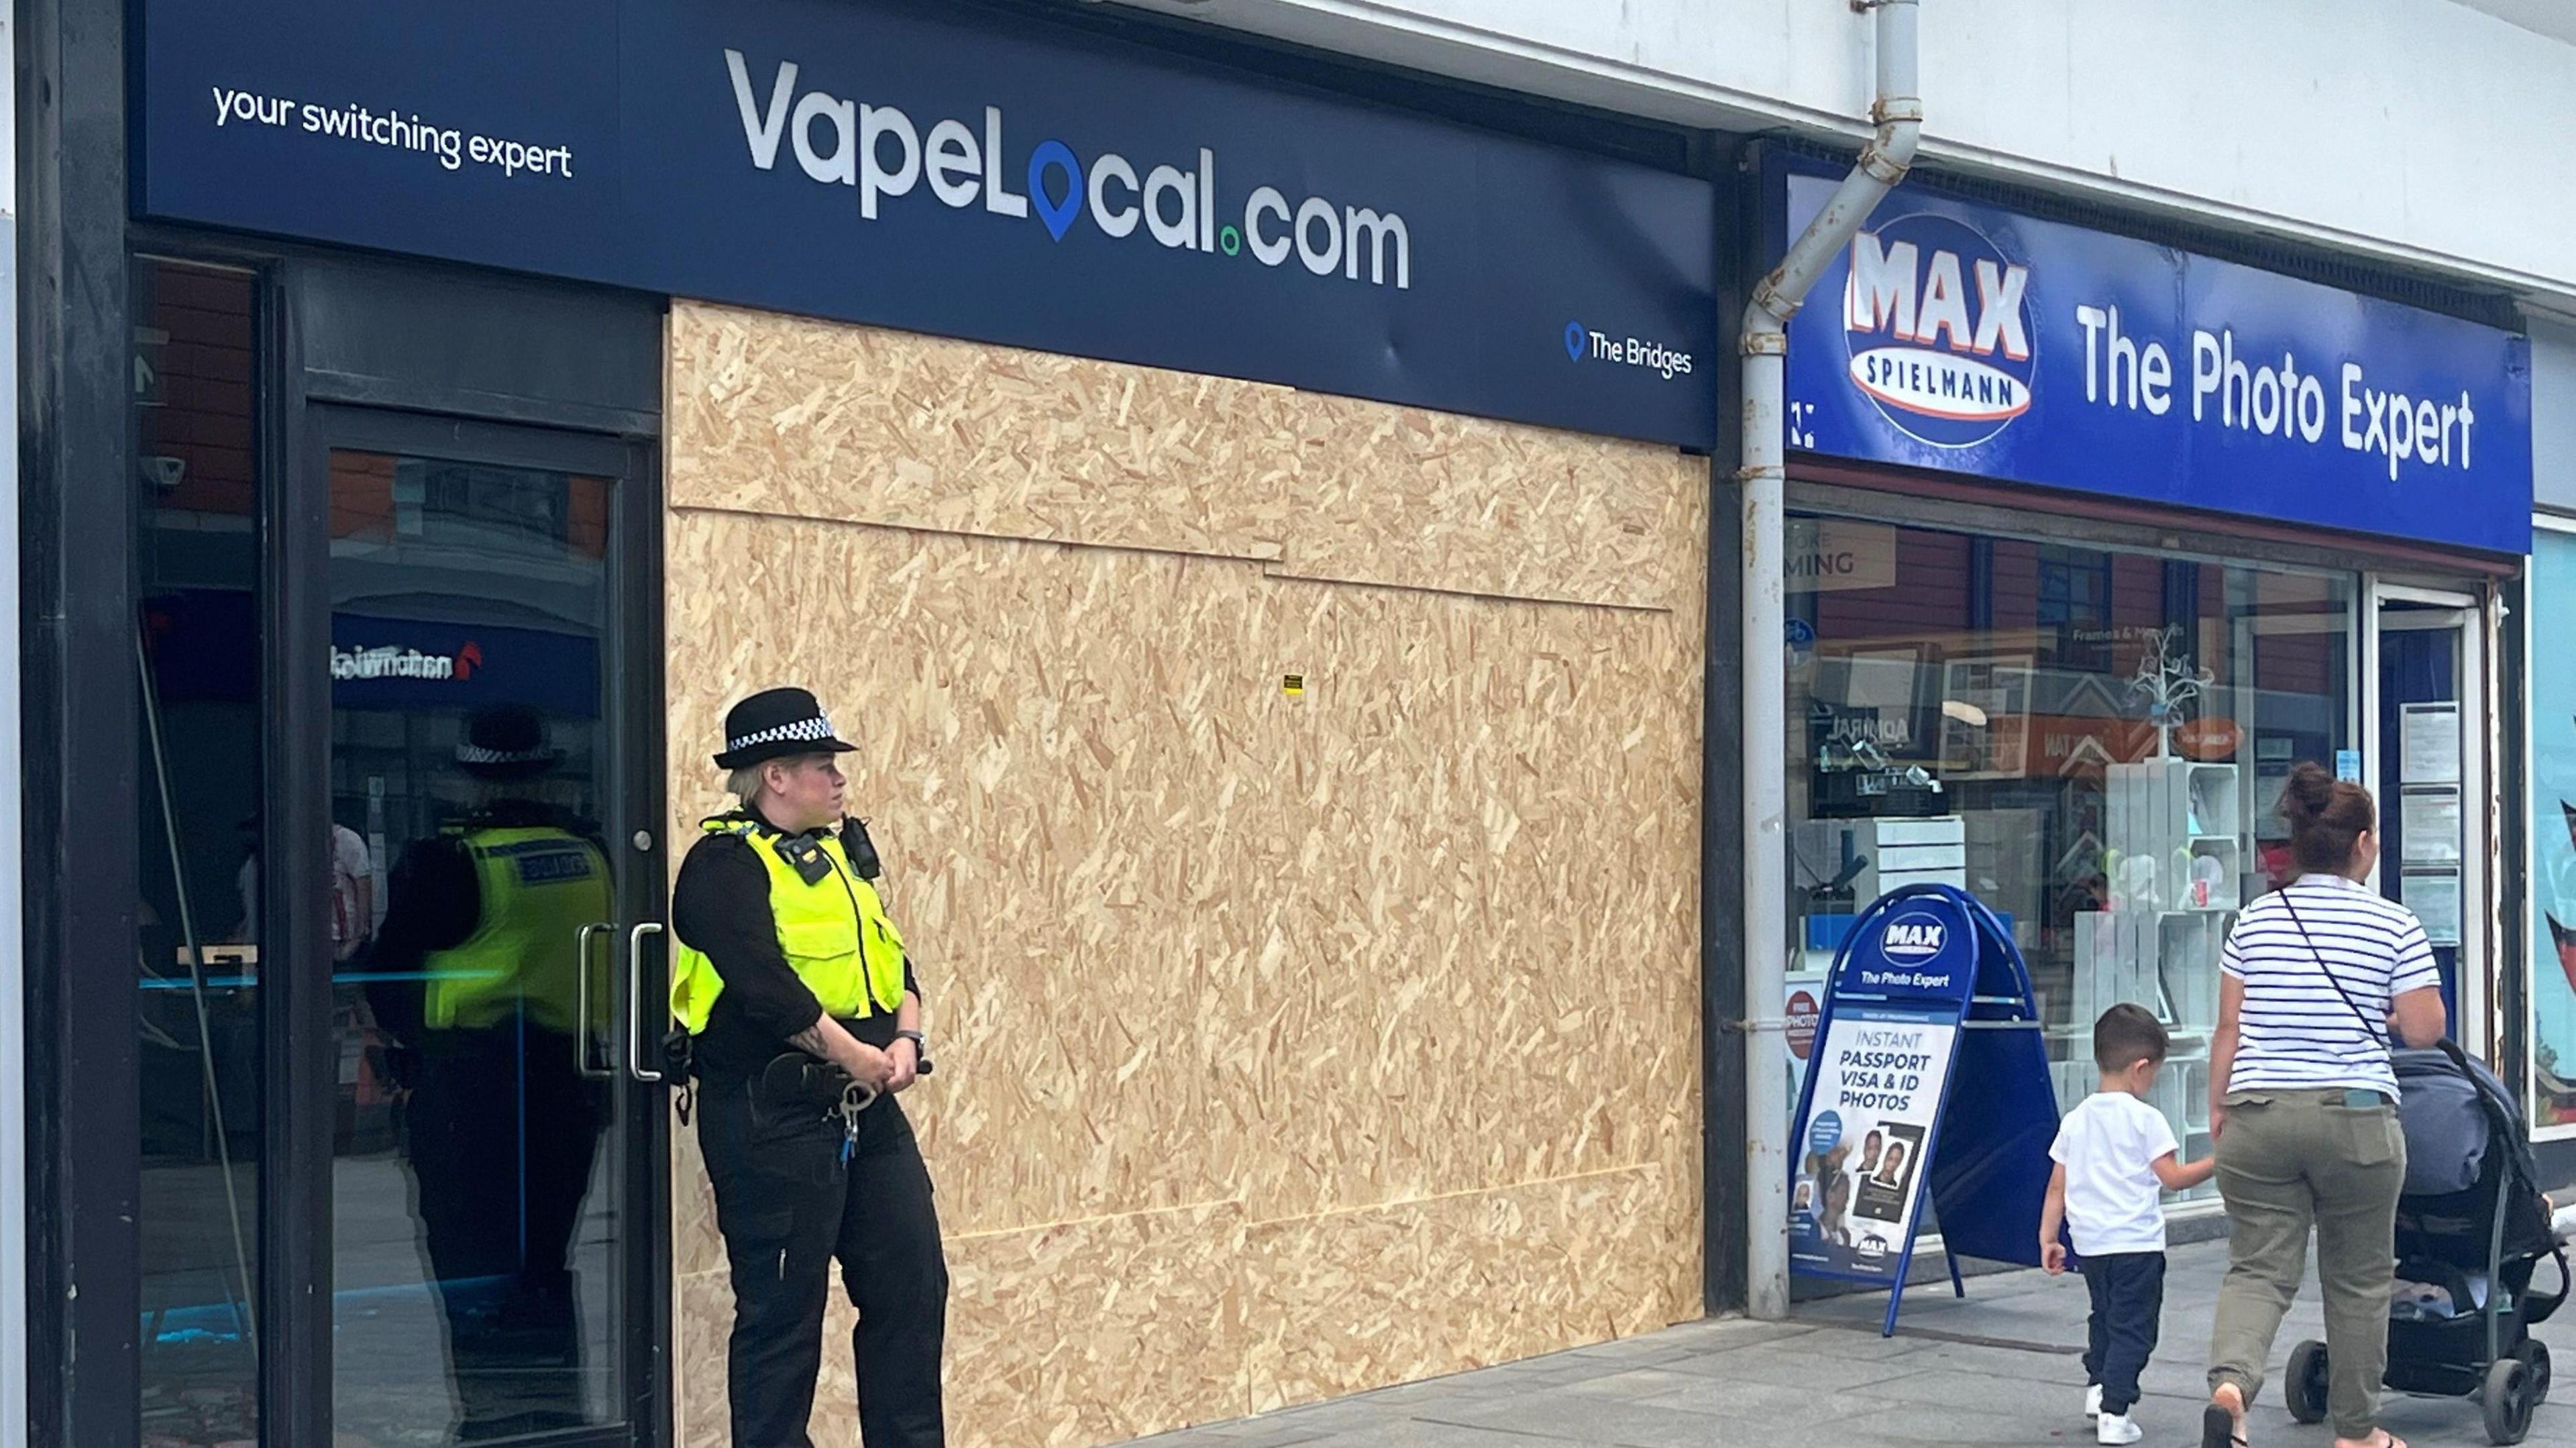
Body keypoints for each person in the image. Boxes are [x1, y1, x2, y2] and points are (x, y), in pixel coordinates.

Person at [670, 686, 945, 1448]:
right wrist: (855, 1052)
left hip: (868, 1110)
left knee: (911, 1290)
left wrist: (907, 1039)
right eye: (822, 765)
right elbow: (764, 986)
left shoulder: (838, 857)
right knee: (782, 1317)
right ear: (774, 776)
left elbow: (895, 965)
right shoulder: (720, 866)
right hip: (774, 1116)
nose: (839, 778)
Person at [368, 703, 613, 1441]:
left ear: (469, 780)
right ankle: (556, 1411)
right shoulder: (591, 853)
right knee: (546, 1256)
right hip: (569, 1076)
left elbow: (389, 975)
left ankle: (491, 1418)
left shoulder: (451, 862)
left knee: (473, 1263)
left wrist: (402, 1049)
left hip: (468, 1083)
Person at [2200, 763, 2447, 1448]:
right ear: (2363, 843)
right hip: (2356, 1116)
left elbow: (2230, 1026)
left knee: (2257, 1268)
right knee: (2360, 1280)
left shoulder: (2253, 919)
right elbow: (2426, 1028)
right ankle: (2357, 1429)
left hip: (2259, 1110)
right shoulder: (2394, 923)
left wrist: (2220, 1106)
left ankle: (2231, 1391)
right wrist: (2390, 1016)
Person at [2041, 1004, 2216, 1445]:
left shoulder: (2075, 1119)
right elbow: (2173, 1178)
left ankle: (2097, 1388)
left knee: (2104, 1317)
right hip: (2136, 1244)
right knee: (2135, 1328)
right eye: (2154, 1072)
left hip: (2091, 1245)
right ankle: (2115, 1411)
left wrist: (2049, 1237)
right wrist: (2220, 1162)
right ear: (2141, 1067)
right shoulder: (2146, 1119)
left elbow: (2056, 1189)